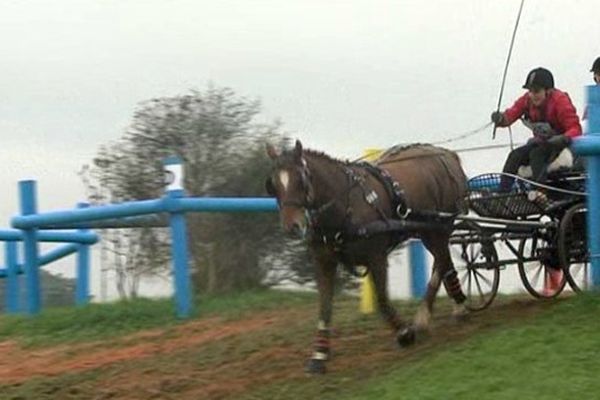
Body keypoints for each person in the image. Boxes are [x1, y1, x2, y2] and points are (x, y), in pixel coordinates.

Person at [491, 67, 582, 191]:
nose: (533, 95)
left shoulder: (560, 101)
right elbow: (511, 115)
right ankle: (502, 194)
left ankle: (540, 193)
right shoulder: (527, 100)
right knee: (515, 155)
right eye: (530, 91)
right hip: (541, 144)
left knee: (536, 154)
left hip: (559, 146)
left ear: (548, 91)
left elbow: (575, 128)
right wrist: (501, 119)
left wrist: (564, 138)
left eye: (537, 91)